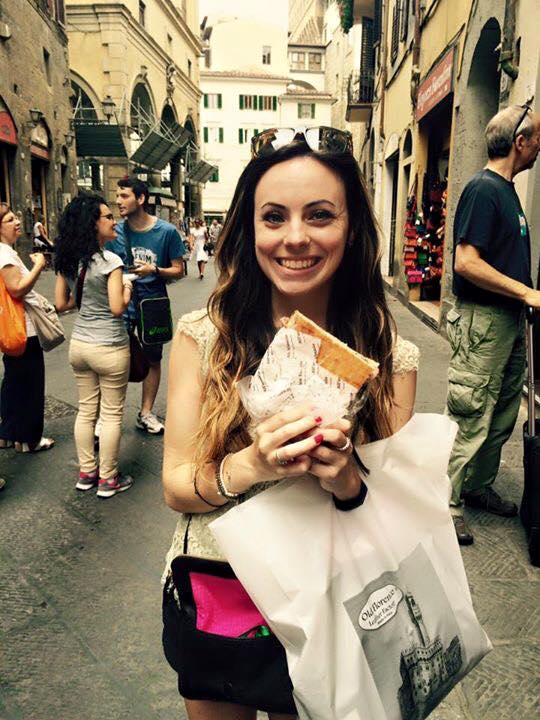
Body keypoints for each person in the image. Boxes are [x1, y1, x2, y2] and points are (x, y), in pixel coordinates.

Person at [161, 127, 420, 719]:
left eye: (320, 215)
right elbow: (175, 485)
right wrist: (251, 464)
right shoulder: (204, 339)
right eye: (274, 217)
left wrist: (348, 480)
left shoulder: (390, 358)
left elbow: (400, 512)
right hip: (221, 594)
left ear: (351, 227)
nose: (295, 237)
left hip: (333, 601)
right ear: (250, 229)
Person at [445, 104, 540, 545]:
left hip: (508, 322)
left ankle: (477, 486)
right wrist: (526, 292)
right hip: (483, 322)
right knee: (470, 414)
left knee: (501, 414)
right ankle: (446, 503)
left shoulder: (506, 191)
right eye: (536, 139)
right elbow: (466, 262)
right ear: (519, 142)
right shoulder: (483, 189)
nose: (539, 147)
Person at [54, 194, 134, 498]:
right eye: (107, 216)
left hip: (80, 345)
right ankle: (108, 479)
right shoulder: (111, 262)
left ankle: (87, 473)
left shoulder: (67, 260)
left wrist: (86, 296)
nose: (114, 221)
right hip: (109, 346)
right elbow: (117, 308)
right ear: (92, 224)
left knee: (86, 411)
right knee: (111, 415)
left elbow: (62, 304)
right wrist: (126, 288)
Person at [107, 176, 186, 435]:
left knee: (153, 358)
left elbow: (179, 270)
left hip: (153, 302)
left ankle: (146, 413)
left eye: (124, 196)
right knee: (115, 358)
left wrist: (155, 269)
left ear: (141, 199)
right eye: (117, 196)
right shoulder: (114, 232)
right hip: (123, 301)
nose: (118, 201)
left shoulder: (166, 232)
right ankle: (108, 417)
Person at [0, 203, 54, 453]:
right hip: (23, 327)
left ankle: (8, 434)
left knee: (14, 380)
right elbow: (17, 289)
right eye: (10, 220)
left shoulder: (5, 251)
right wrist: (39, 265)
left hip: (13, 327)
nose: (18, 222)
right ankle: (29, 440)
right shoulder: (5, 254)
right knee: (30, 384)